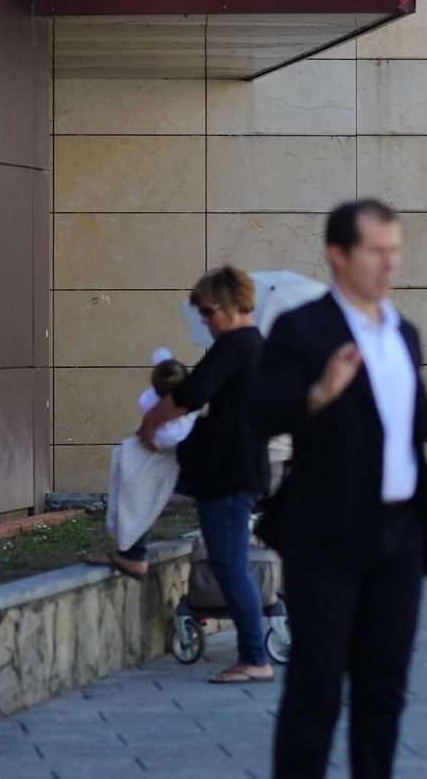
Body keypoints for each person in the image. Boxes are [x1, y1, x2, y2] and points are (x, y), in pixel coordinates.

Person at [252, 199, 427, 779]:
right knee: (317, 692)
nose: (389, 263)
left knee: (384, 690)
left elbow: (403, 415)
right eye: (376, 251)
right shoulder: (302, 329)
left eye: (395, 250)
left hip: (400, 535)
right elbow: (259, 411)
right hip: (327, 536)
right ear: (338, 255)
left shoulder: (402, 331)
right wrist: (318, 394)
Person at [138, 267, 273, 685]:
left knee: (230, 567)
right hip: (228, 473)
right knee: (227, 562)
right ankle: (131, 550)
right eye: (200, 313)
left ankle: (254, 657)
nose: (205, 321)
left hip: (229, 477)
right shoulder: (248, 346)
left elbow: (190, 394)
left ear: (234, 304)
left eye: (209, 311)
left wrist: (149, 426)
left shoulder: (236, 345)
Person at [91, 350, 195, 578]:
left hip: (188, 466)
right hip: (194, 466)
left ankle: (133, 554)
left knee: (135, 477)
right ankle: (131, 552)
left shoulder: (185, 406)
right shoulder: (189, 406)